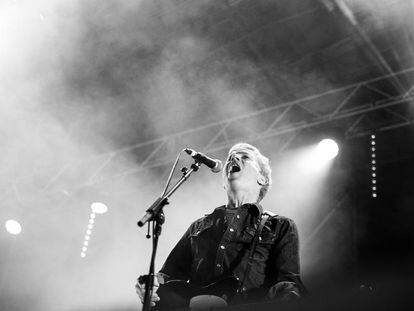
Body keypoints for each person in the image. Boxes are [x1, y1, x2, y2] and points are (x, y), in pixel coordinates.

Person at [136, 143, 305, 309]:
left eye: (244, 156)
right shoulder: (199, 226)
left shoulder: (280, 226)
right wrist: (149, 284)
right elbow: (167, 276)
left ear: (262, 179)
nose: (234, 157)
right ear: (224, 182)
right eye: (231, 156)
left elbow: (288, 284)